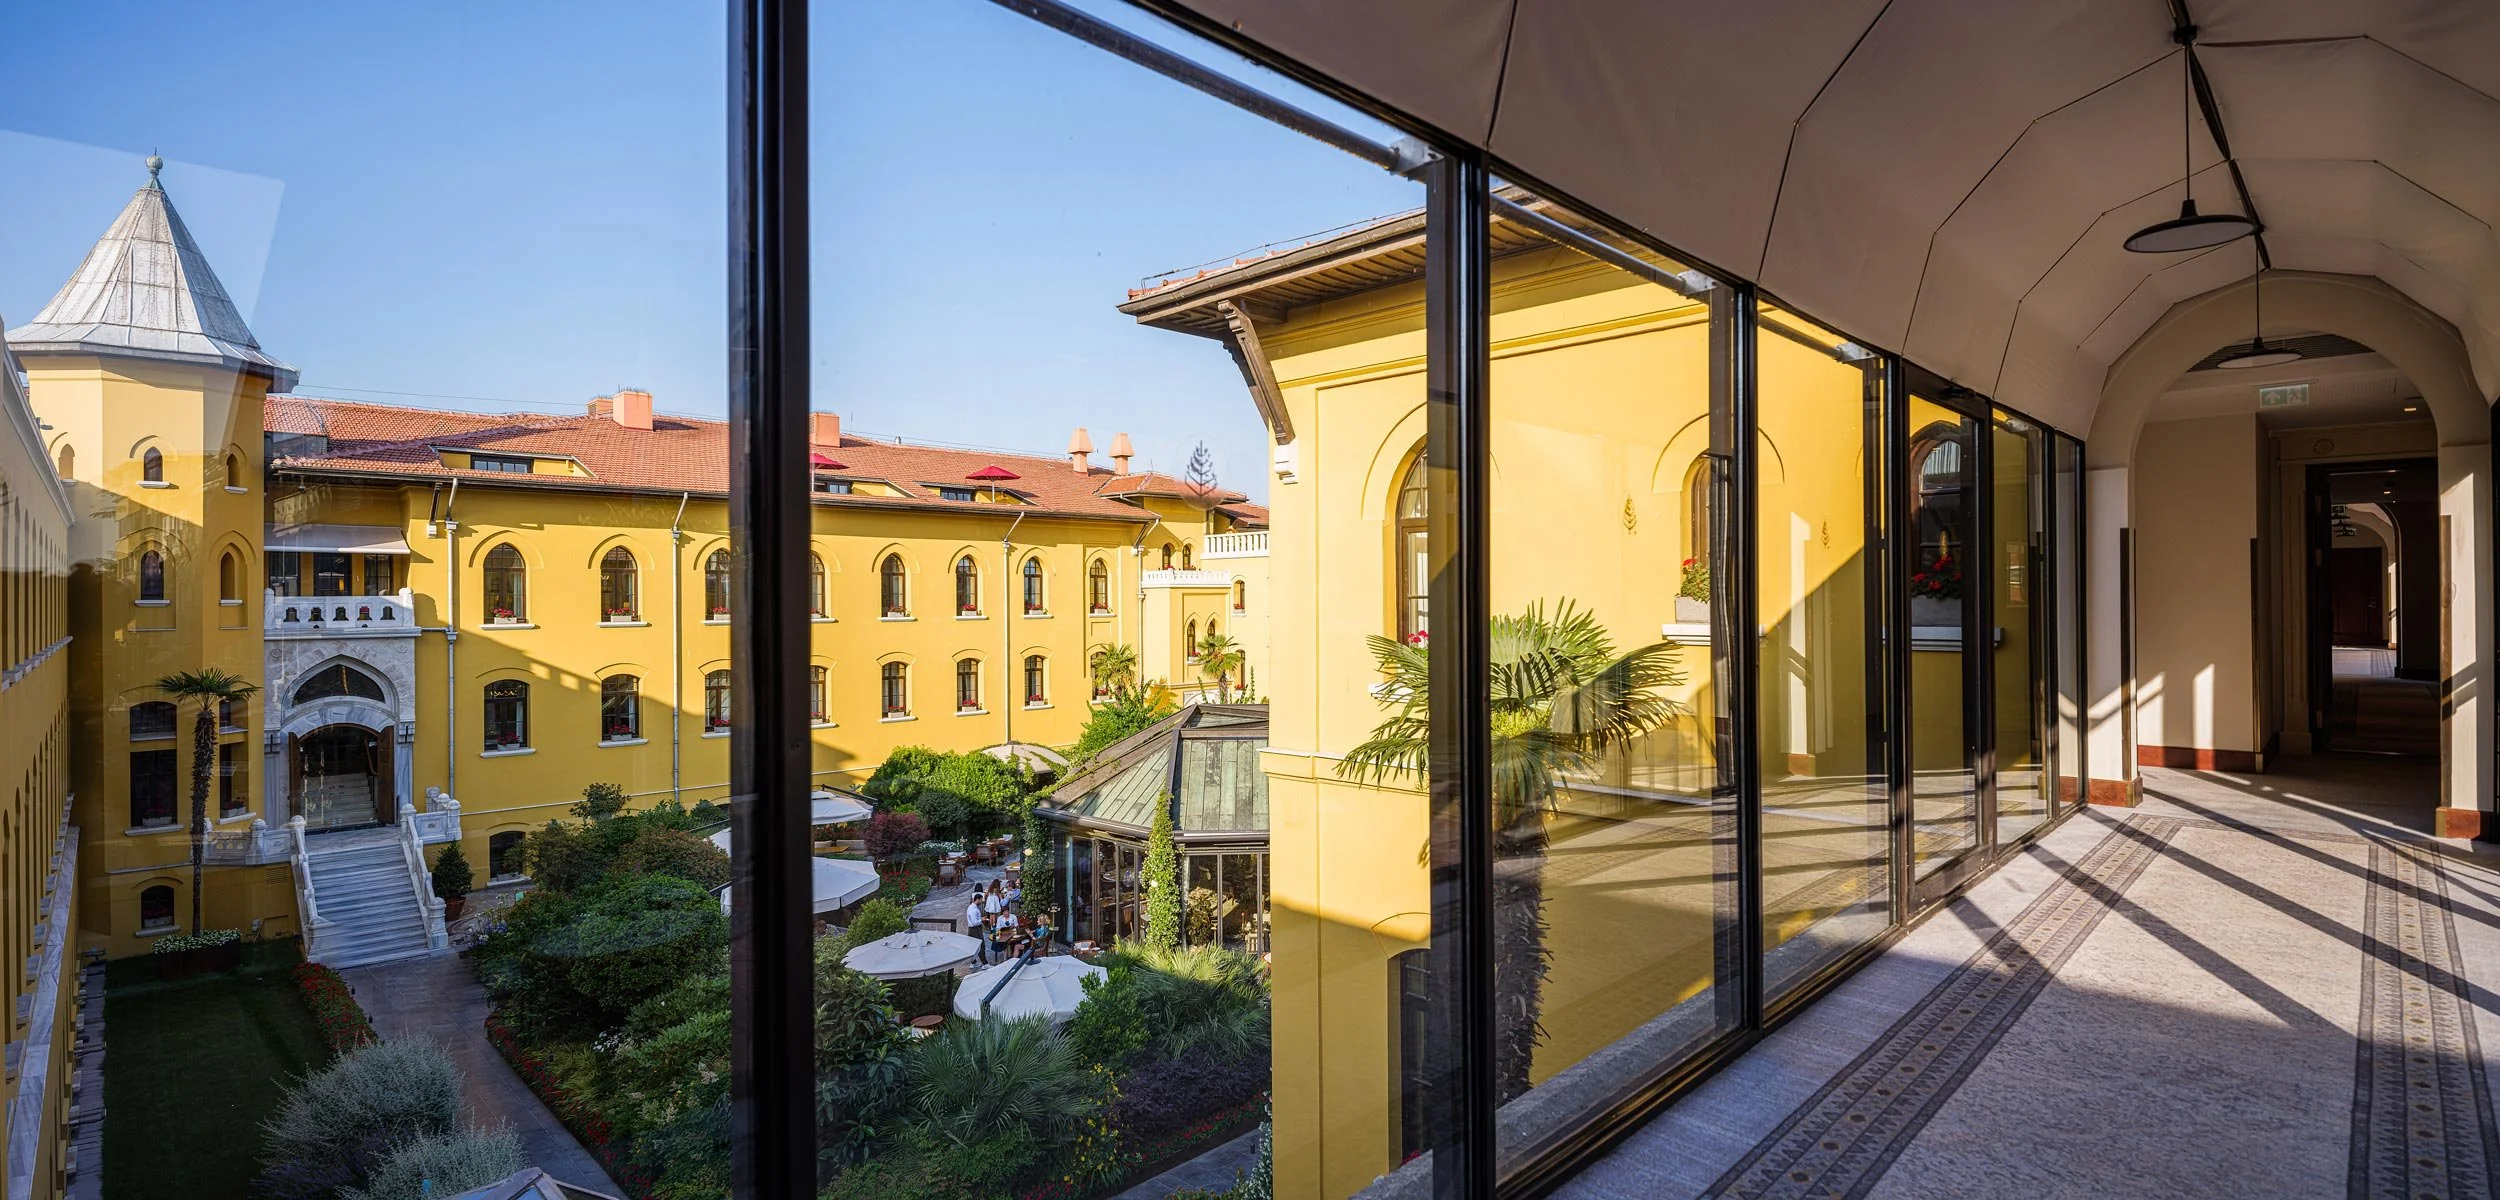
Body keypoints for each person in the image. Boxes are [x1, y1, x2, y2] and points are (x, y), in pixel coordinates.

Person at [963, 892, 987, 964]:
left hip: (972, 929)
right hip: (976, 929)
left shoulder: (971, 907)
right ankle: (984, 963)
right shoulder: (974, 910)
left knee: (972, 946)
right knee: (981, 945)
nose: (981, 901)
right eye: (981, 900)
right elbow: (974, 923)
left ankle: (973, 962)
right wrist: (982, 920)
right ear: (977, 899)